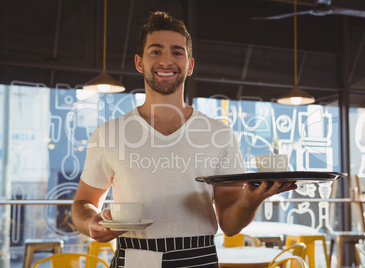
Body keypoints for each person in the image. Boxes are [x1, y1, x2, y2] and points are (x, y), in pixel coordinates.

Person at [72, 11, 297, 268]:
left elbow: (230, 225)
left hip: (199, 259)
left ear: (190, 65)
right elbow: (84, 203)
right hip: (135, 259)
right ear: (139, 62)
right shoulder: (108, 133)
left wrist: (251, 200)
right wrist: (91, 221)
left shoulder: (219, 134)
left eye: (177, 52)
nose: (166, 61)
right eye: (155, 51)